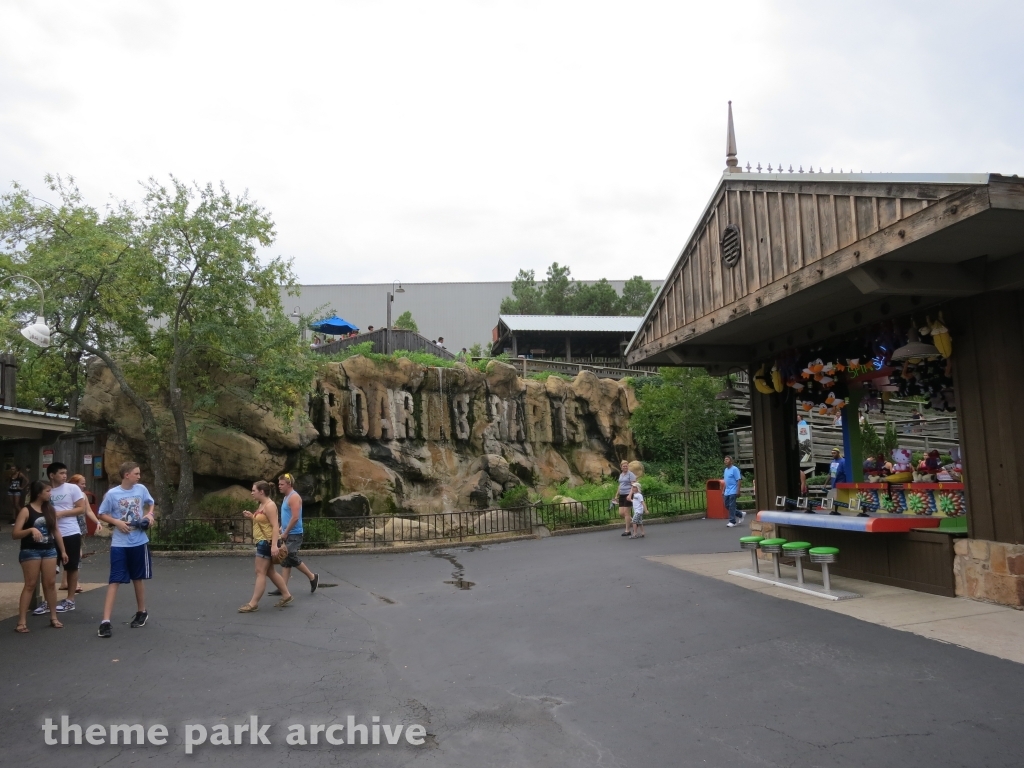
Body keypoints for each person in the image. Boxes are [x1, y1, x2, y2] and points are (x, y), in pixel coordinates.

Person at [96, 461, 155, 638]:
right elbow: (102, 513)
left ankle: (141, 611)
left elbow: (150, 503)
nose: (139, 476)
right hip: (120, 543)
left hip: (139, 541)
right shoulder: (112, 494)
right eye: (136, 473)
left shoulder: (141, 489)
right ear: (126, 475)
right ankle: (105, 621)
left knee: (138, 577)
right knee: (115, 579)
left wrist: (150, 515)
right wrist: (116, 522)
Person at [12, 481, 67, 632]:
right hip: (31, 550)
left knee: (50, 583)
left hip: (49, 549)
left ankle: (54, 617)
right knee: (30, 584)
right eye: (47, 491)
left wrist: (63, 551)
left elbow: (56, 531)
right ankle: (22, 621)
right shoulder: (26, 510)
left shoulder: (50, 509)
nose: (50, 494)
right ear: (38, 493)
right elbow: (15, 534)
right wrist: (30, 530)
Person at [45, 463, 97, 614]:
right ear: (52, 475)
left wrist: (61, 514)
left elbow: (81, 508)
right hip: (50, 533)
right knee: (49, 568)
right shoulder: (46, 490)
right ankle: (48, 601)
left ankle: (70, 599)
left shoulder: (72, 488)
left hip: (70, 531)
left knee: (72, 566)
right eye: (61, 473)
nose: (64, 476)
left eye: (65, 473)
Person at [238, 481, 293, 612]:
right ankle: (286, 595)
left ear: (261, 492)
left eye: (254, 490)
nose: (252, 493)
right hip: (264, 542)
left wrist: (274, 545)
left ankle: (253, 603)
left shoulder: (270, 505)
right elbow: (264, 522)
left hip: (266, 543)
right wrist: (252, 517)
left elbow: (275, 525)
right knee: (269, 571)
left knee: (260, 572)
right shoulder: (262, 504)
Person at [269, 474, 318, 595]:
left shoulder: (294, 497)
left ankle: (312, 577)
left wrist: (286, 532)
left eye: (282, 484)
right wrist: (281, 528)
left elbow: (295, 517)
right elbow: (287, 516)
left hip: (294, 533)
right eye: (279, 484)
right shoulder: (286, 497)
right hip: (287, 532)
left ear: (289, 484)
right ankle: (283, 588)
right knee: (286, 561)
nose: (279, 486)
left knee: (290, 556)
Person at [616, 461, 637, 537]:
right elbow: (620, 485)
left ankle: (627, 530)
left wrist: (630, 495)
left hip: (628, 494)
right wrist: (616, 494)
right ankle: (635, 522)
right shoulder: (621, 475)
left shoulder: (631, 474)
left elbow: (633, 486)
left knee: (626, 513)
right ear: (621, 467)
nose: (625, 467)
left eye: (626, 466)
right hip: (622, 495)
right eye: (624, 466)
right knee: (621, 513)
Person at [723, 456, 744, 527]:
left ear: (731, 461)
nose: (725, 461)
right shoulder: (726, 470)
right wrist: (723, 490)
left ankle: (732, 521)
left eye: (727, 459)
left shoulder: (735, 469)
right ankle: (740, 514)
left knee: (732, 506)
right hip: (727, 491)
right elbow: (726, 481)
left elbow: (739, 480)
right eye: (725, 460)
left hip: (733, 490)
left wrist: (738, 490)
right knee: (726, 505)